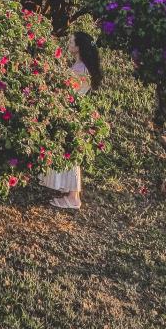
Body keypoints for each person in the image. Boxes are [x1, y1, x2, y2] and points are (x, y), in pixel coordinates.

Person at [40, 32, 102, 209]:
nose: (68, 43)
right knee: (68, 154)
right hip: (72, 113)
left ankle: (74, 197)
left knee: (70, 155)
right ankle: (70, 194)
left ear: (79, 46)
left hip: (71, 114)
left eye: (71, 41)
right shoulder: (81, 66)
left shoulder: (80, 70)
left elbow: (68, 93)